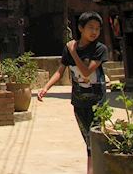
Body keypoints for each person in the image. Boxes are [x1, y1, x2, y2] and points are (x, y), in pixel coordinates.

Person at [38, 12, 108, 174]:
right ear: (81, 28)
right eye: (90, 27)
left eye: (97, 28)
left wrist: (74, 52)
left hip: (97, 103)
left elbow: (85, 72)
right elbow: (60, 71)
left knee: (95, 138)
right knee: (88, 140)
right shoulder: (69, 49)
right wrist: (46, 88)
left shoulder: (99, 49)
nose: (94, 32)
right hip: (79, 103)